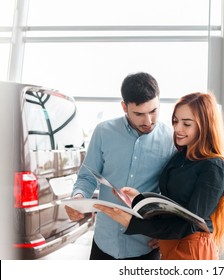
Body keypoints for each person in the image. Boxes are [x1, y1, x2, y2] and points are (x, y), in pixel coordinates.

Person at [95, 92, 224, 260]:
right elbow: (171, 205)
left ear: (205, 126)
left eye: (187, 124)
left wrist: (132, 223)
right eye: (175, 121)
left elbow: (189, 223)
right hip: (170, 245)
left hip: (191, 249)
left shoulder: (214, 167)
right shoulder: (180, 156)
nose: (177, 129)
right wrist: (138, 199)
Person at [65, 72, 176, 260]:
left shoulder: (171, 139)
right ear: (124, 107)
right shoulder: (103, 132)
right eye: (139, 114)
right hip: (103, 243)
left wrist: (167, 232)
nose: (148, 121)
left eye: (153, 111)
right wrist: (78, 198)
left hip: (145, 246)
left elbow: (175, 193)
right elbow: (87, 177)